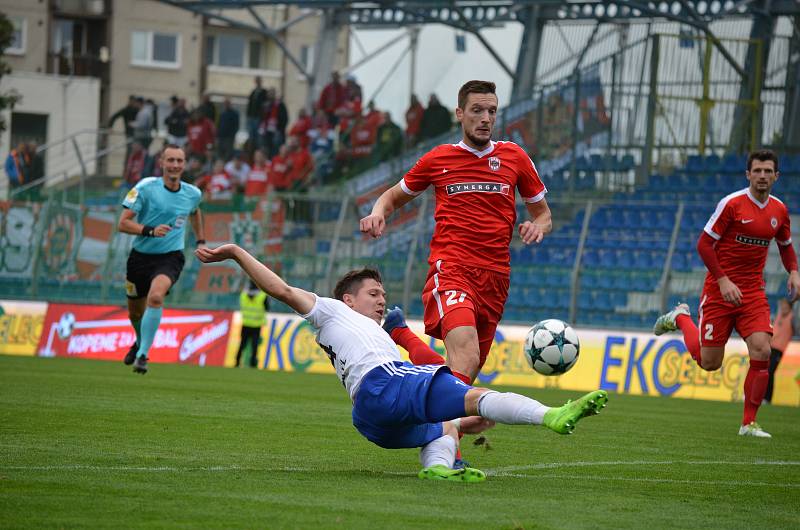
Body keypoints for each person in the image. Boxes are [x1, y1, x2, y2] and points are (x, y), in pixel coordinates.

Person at [195, 244, 608, 481]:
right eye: (373, 293)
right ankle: (552, 414)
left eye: (383, 293)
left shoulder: (372, 334)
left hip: (369, 416)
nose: (381, 299)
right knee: (478, 396)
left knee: (450, 422)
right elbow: (280, 288)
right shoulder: (330, 311)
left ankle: (439, 471)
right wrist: (233, 252)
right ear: (348, 300)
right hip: (384, 383)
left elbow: (424, 370)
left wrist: (461, 415)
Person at [360, 80, 552, 385]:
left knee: (461, 379)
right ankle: (442, 419)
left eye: (491, 110)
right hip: (452, 270)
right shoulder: (439, 159)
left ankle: (402, 336)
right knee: (466, 358)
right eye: (477, 110)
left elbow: (543, 214)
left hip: (496, 278)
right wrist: (377, 213)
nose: (486, 118)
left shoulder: (514, 157)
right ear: (460, 114)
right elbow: (393, 196)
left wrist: (536, 226)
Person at [653, 149, 800, 437]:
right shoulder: (731, 205)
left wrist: (793, 271)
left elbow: (785, 245)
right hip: (719, 292)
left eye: (768, 171)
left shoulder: (779, 211)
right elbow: (704, 245)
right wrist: (722, 280)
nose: (762, 176)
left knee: (762, 349)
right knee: (710, 363)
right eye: (757, 171)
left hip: (753, 293)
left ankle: (748, 423)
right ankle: (681, 318)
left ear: (776, 176)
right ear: (748, 174)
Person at [117, 144, 206, 374]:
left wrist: (201, 241)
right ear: (161, 163)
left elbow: (195, 211)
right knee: (135, 313)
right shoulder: (145, 187)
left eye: (179, 160)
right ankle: (139, 342)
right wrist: (150, 230)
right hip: (139, 259)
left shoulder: (192, 193)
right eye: (171, 160)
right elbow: (123, 223)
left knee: (155, 298)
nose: (175, 165)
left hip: (170, 257)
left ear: (184, 164)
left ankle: (143, 356)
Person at [766, 298, 796, 403]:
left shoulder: (792, 317)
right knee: (764, 372)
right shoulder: (779, 314)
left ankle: (767, 398)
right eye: (781, 306)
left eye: (785, 306)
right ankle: (761, 397)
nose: (782, 308)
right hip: (770, 347)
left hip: (779, 349)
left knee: (770, 372)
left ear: (790, 307)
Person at [236, 280, 270, 368]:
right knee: (254, 345)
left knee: (242, 344)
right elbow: (267, 308)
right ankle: (253, 364)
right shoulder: (262, 296)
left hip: (246, 323)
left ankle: (236, 362)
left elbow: (241, 305)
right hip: (257, 325)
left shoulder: (243, 295)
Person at [246, 77, 267, 149]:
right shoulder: (253, 92)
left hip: (258, 117)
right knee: (251, 136)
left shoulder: (264, 92)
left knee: (258, 137)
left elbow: (264, 105)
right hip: (251, 117)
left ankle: (257, 150)